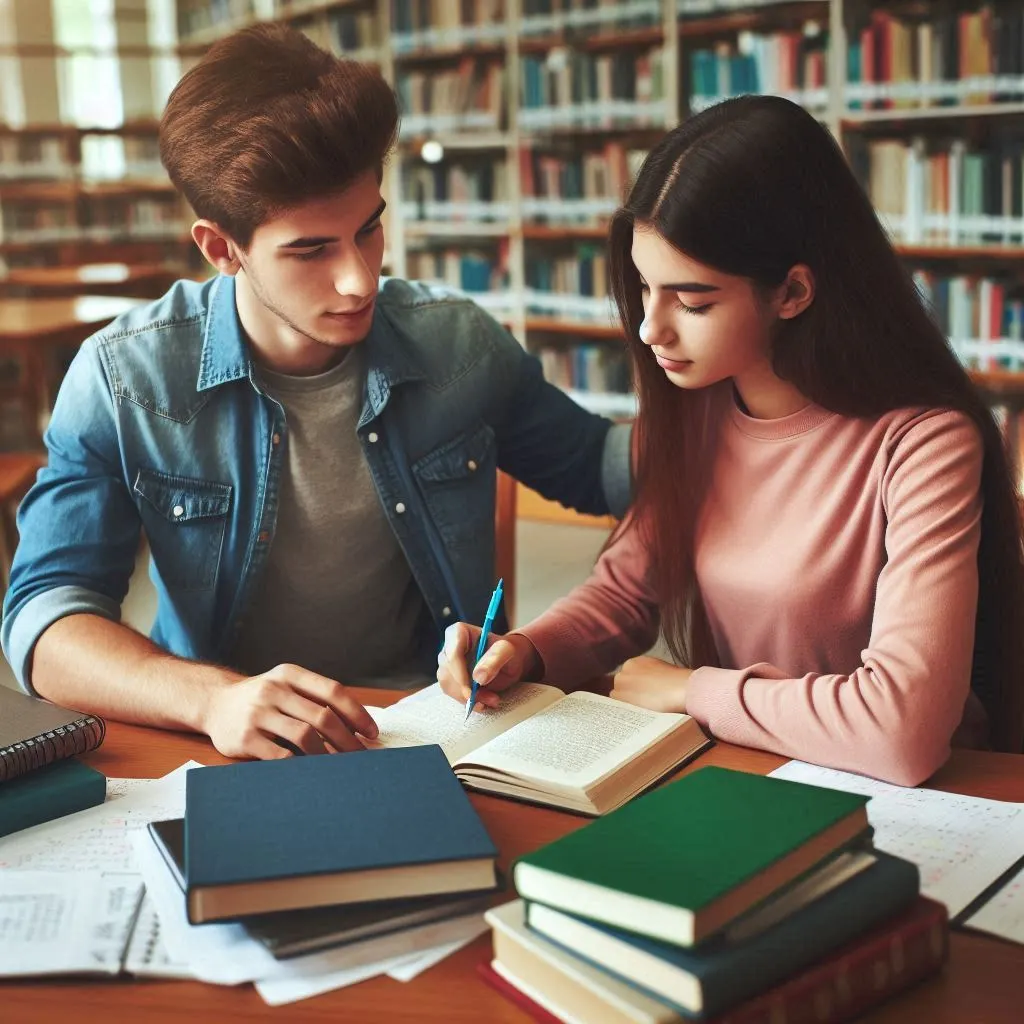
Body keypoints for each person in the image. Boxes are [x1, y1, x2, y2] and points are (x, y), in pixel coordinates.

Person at [1, 25, 631, 762]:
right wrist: (212, 698)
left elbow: (603, 469)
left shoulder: (457, 343)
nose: (360, 278)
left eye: (368, 231)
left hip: (429, 731)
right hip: (229, 740)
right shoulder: (124, 381)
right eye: (311, 249)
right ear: (221, 248)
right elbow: (45, 624)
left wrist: (750, 395)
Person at [438, 95, 1024, 787]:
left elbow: (903, 730)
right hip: (754, 771)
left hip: (916, 800)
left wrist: (692, 692)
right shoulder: (695, 412)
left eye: (692, 301)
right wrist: (524, 652)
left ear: (794, 292)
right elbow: (624, 593)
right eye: (644, 287)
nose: (652, 328)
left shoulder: (924, 444)